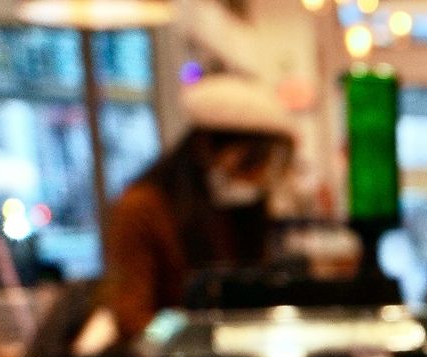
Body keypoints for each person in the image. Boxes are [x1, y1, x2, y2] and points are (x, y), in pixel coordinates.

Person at [101, 76, 297, 342]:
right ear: (204, 148)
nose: (256, 176)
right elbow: (132, 317)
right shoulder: (142, 208)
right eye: (250, 160)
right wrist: (191, 333)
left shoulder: (240, 211)